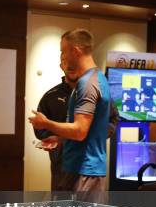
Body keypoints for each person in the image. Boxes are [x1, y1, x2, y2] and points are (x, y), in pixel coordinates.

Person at [29, 28, 111, 207]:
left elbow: (80, 130)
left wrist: (47, 123)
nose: (62, 57)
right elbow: (82, 133)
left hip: (84, 171)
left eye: (63, 51)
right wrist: (57, 139)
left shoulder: (88, 84)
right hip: (79, 167)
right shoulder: (96, 79)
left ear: (76, 50)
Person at [34, 60, 118, 191]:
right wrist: (56, 139)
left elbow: (113, 118)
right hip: (61, 166)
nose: (70, 65)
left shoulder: (95, 90)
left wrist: (96, 136)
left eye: (74, 61)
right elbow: (40, 129)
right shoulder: (51, 96)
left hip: (89, 166)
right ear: (61, 66)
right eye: (66, 61)